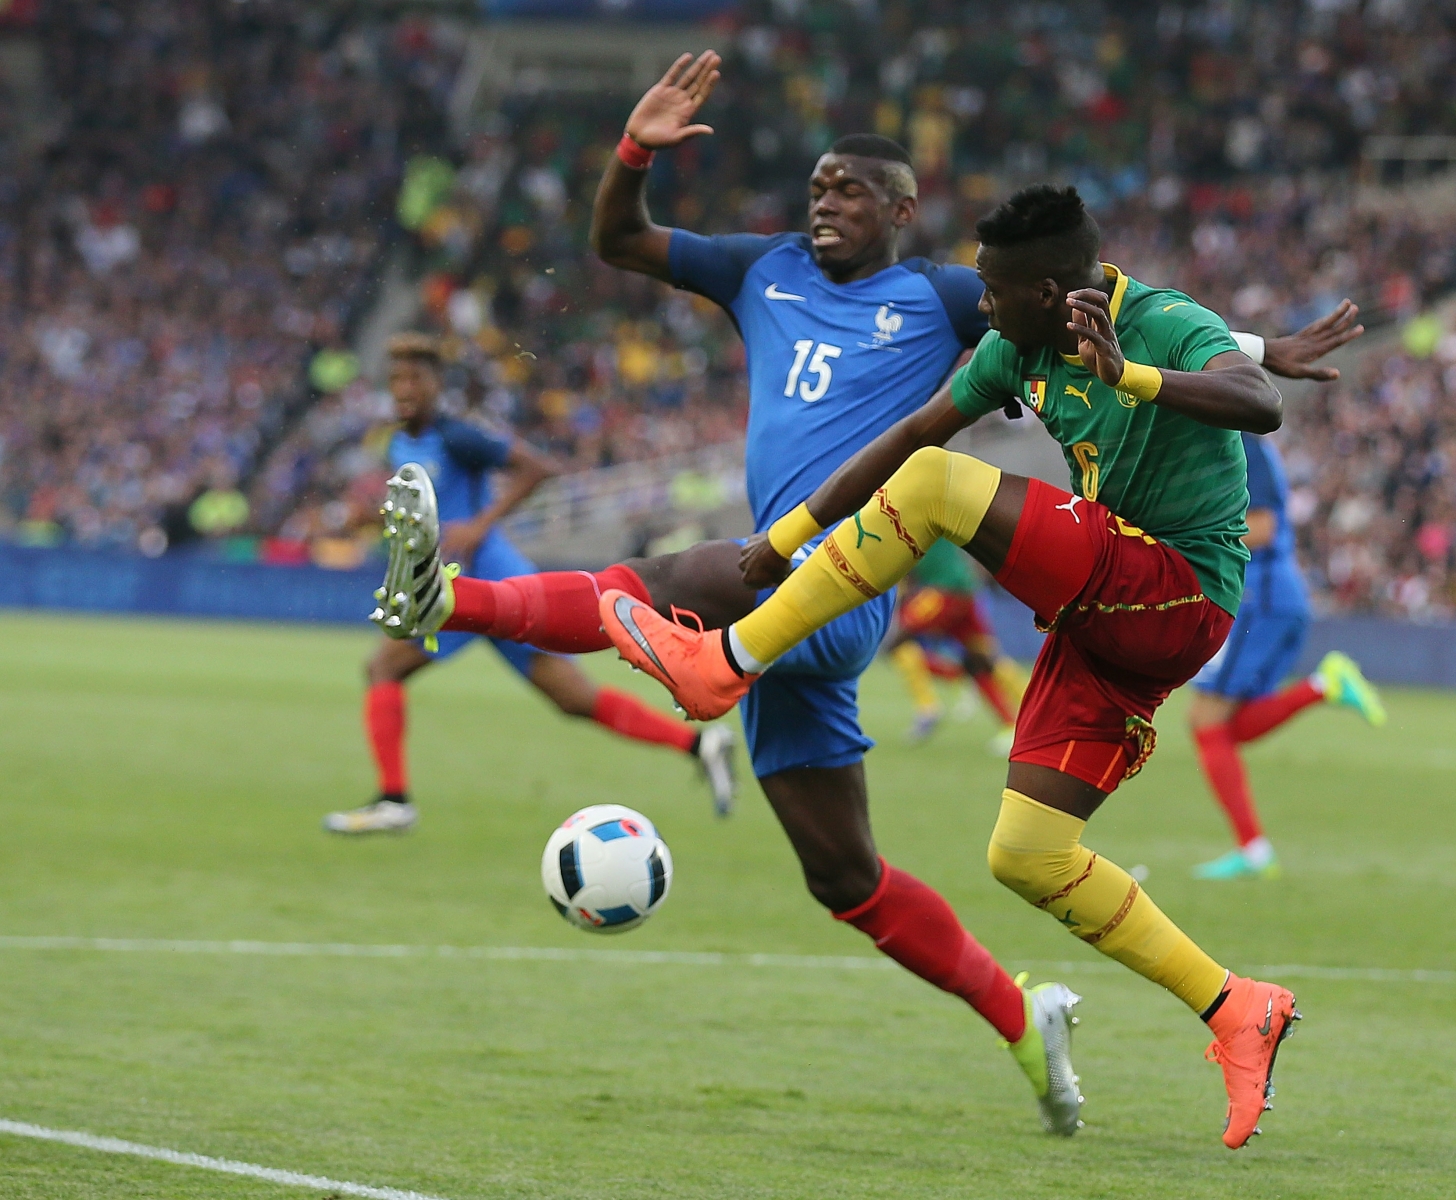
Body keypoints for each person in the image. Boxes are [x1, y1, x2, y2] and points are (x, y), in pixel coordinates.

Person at [369, 54, 1356, 1135]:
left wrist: (1203, 363)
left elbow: (1191, 359)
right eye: (816, 186)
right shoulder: (778, 275)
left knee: (702, 572)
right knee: (929, 869)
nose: (822, 201)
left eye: (848, 188)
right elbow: (885, 416)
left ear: (905, 212)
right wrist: (635, 150)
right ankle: (1147, 1014)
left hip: (1044, 590)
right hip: (987, 604)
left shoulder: (971, 301)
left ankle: (460, 604)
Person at [583, 185, 1360, 1148]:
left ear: (1048, 287)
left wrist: (1131, 377)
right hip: (1107, 619)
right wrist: (782, 539)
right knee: (1026, 855)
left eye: (993, 288)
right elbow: (909, 434)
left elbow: (1260, 402)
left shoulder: (1162, 322)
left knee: (946, 491)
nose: (978, 304)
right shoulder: (1015, 345)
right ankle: (1237, 1006)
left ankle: (724, 664)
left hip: (1179, 593)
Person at [332, 333, 737, 833]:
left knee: (383, 668)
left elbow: (539, 468)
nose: (404, 389)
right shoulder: (398, 442)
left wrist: (482, 524)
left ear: (437, 384)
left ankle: (394, 800)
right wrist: (371, 520)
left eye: (415, 377)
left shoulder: (458, 436)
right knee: (575, 701)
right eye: (396, 379)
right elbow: (433, 514)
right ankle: (700, 744)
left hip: (486, 585)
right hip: (474, 592)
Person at [1187, 432, 1386, 880]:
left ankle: (1254, 851)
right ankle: (1324, 686)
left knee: (1206, 721)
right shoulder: (1244, 443)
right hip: (1270, 595)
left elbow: (1261, 527)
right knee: (1220, 726)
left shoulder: (1244, 444)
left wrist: (1191, 534)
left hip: (1262, 595)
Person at [889, 540, 1027, 750]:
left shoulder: (904, 518)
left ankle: (929, 706)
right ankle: (1019, 719)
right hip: (965, 591)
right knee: (984, 660)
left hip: (944, 591)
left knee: (896, 642)